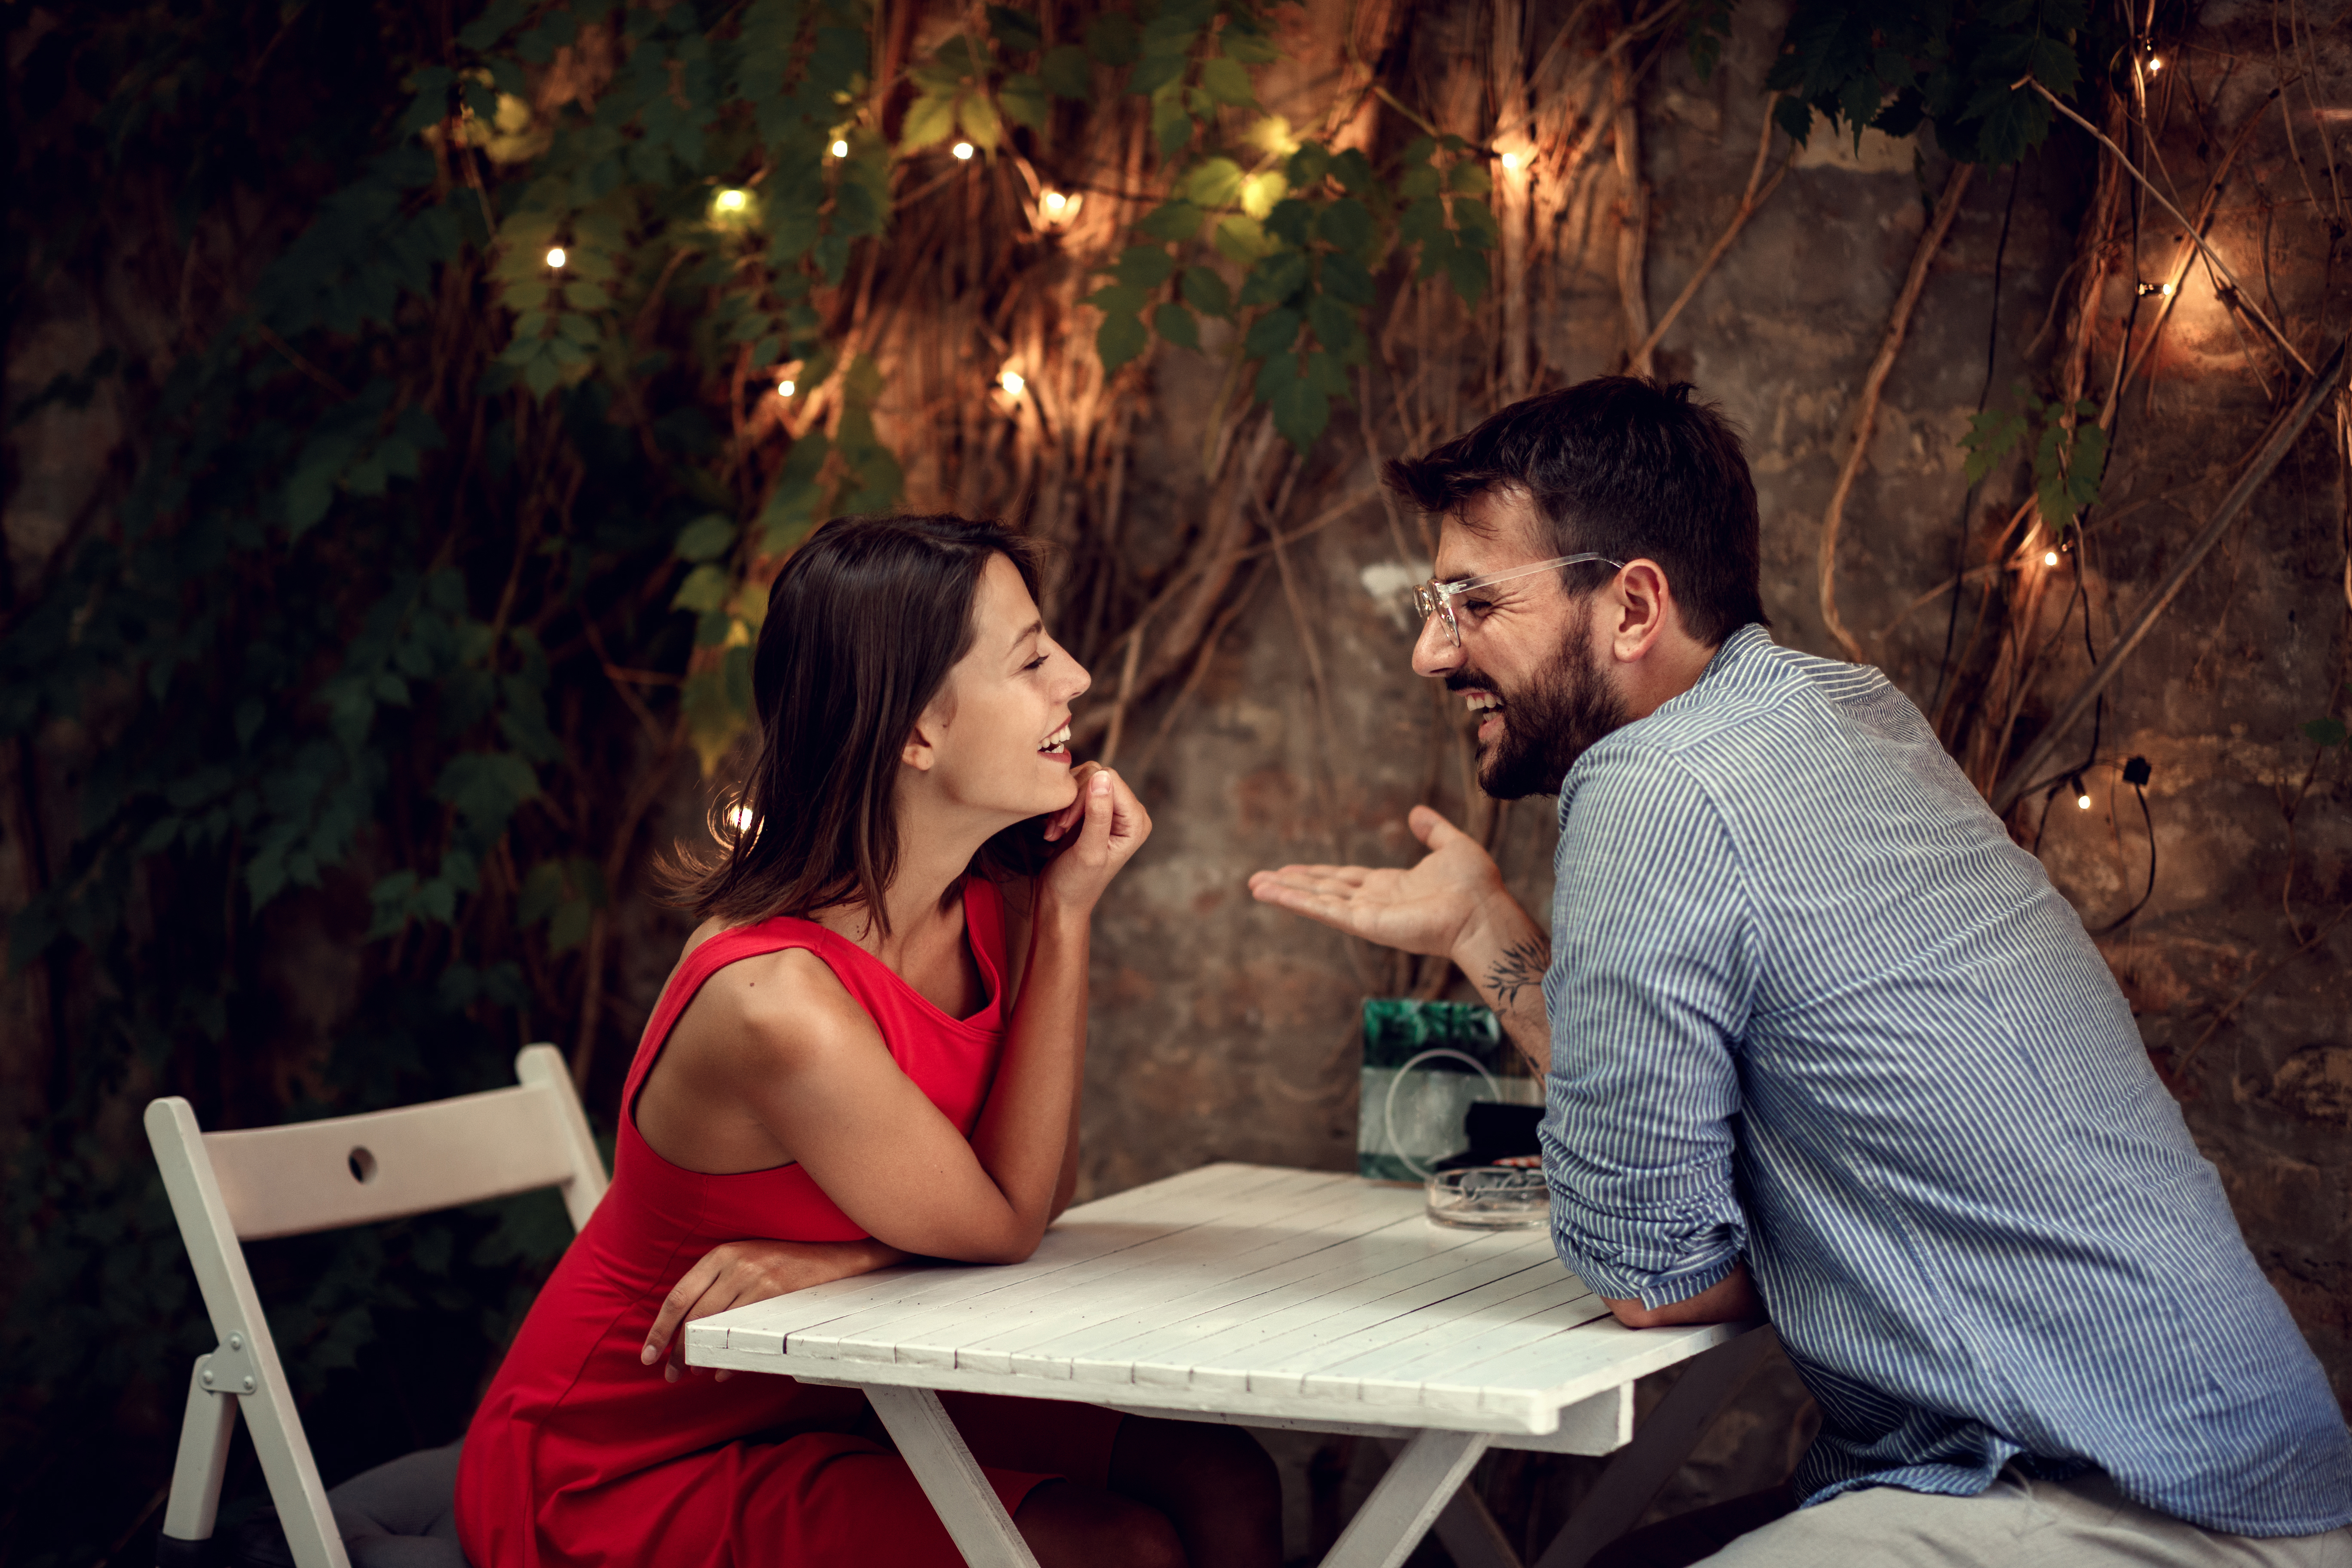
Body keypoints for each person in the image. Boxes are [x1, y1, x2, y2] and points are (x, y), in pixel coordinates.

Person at [1249, 378, 2352, 1566]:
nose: (1430, 650)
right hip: (2222, 1477)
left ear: (1631, 607)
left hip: (2104, 1496)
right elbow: (1690, 1204)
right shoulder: (1841, 711)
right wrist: (1486, 930)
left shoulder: (1653, 787)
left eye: (1472, 602)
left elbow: (1649, 1276)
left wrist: (1736, 1241)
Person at [458, 515, 1281, 1568]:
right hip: (627, 1459)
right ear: (915, 733)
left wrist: (842, 1259)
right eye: (1031, 659)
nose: (1074, 676)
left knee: (1223, 1482)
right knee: (1112, 1551)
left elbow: (1038, 1185)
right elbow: (1009, 1220)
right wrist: (1072, 915)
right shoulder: (775, 1001)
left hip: (830, 1394)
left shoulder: (992, 905)